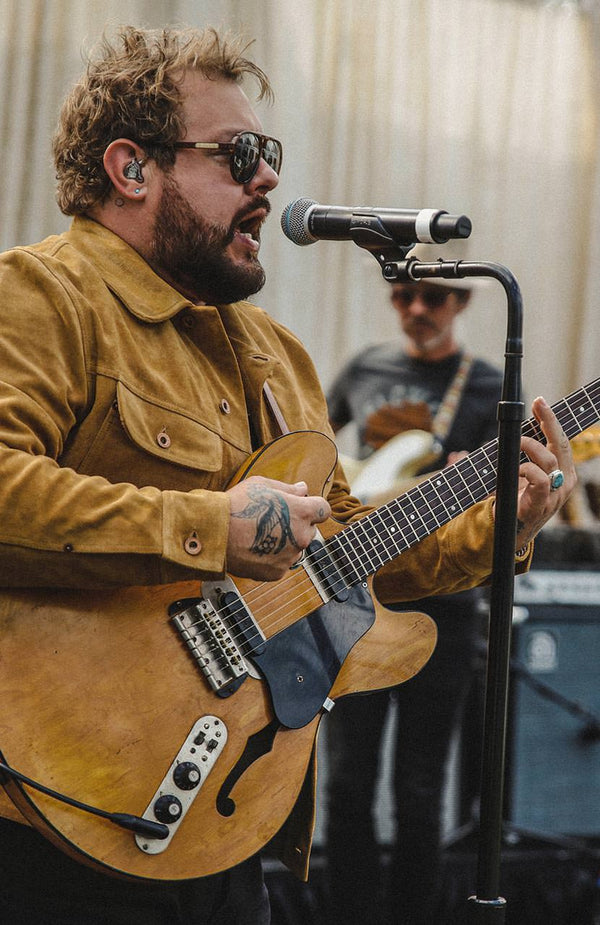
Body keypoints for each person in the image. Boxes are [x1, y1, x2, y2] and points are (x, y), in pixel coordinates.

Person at [0, 25, 574, 925]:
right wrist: (206, 526)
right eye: (240, 154)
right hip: (51, 817)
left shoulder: (280, 356)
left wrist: (505, 519)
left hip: (228, 820)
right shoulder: (42, 297)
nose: (268, 178)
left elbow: (344, 560)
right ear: (131, 167)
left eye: (268, 155)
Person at [323, 256, 508, 925]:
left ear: (458, 300)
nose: (415, 308)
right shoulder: (365, 367)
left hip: (446, 609)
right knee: (345, 785)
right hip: (356, 604)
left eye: (430, 296)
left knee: (419, 787)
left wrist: (488, 480)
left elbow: (509, 505)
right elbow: (316, 447)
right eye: (403, 295)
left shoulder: (490, 384)